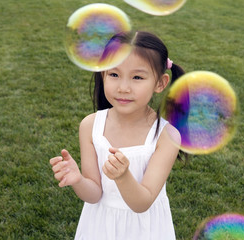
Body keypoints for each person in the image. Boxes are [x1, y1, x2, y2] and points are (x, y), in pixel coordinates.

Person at [50, 31, 185, 240]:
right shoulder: (91, 125)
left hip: (145, 230)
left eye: (137, 77)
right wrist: (77, 180)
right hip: (100, 226)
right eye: (114, 74)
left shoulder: (166, 136)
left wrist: (123, 177)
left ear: (160, 83)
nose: (123, 88)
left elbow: (142, 203)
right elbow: (94, 194)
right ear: (103, 74)